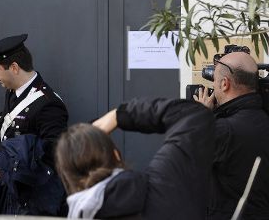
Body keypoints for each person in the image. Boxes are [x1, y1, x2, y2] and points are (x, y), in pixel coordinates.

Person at [0, 33, 68, 215]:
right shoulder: (14, 91)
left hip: (34, 199)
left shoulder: (49, 104)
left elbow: (53, 154)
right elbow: (5, 119)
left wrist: (7, 164)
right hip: (12, 191)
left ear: (15, 68)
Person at [56, 98, 215, 219]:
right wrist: (118, 116)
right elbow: (192, 116)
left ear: (66, 177)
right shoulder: (162, 186)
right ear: (116, 154)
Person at [194, 51, 269, 219]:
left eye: (214, 82)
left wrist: (202, 121)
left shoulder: (222, 131)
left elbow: (187, 170)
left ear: (225, 84)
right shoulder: (263, 121)